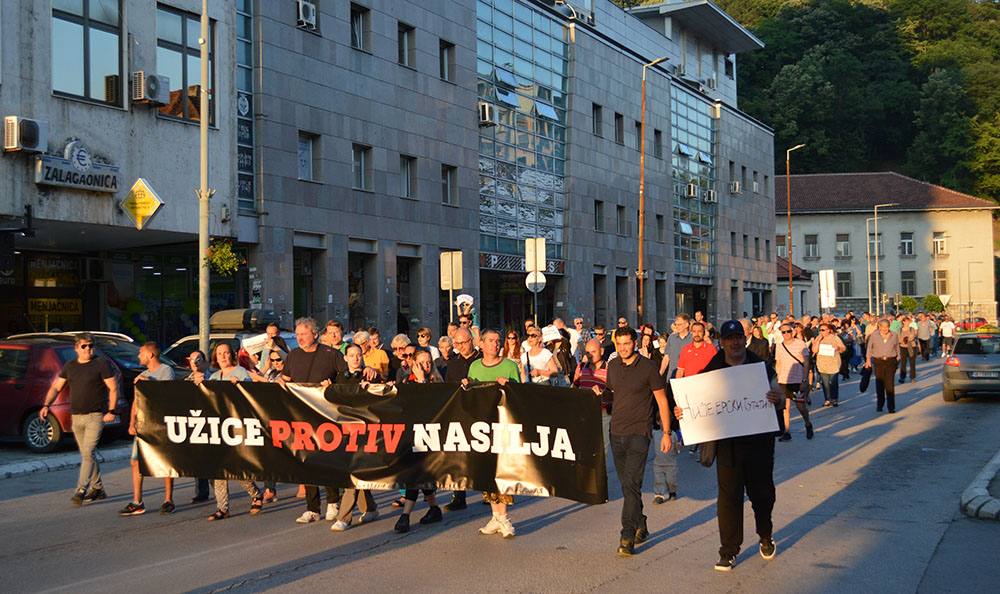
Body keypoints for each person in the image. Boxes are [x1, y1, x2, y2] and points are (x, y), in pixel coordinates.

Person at [675, 320, 783, 571]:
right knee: (728, 498)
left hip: (759, 444)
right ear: (721, 342)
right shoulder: (711, 370)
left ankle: (765, 534)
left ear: (743, 339)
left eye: (738, 337)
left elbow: (778, 396)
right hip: (727, 446)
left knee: (763, 495)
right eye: (729, 338)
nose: (735, 342)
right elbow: (695, 403)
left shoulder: (760, 366)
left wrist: (776, 398)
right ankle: (728, 550)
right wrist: (683, 412)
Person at [281, 318, 365, 525]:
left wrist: (333, 384)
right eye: (298, 334)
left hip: (325, 416)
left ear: (315, 334)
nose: (300, 337)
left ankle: (333, 501)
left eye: (304, 333)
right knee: (306, 461)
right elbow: (285, 379)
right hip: (301, 416)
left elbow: (345, 378)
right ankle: (312, 508)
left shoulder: (331, 354)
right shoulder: (293, 355)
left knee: (327, 459)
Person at [599, 327, 672, 557]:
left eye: (627, 343)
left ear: (635, 342)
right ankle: (641, 522)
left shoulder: (649, 368)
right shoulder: (612, 366)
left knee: (632, 483)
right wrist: (596, 394)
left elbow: (661, 400)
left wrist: (667, 432)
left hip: (640, 433)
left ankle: (627, 536)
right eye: (619, 344)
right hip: (617, 431)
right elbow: (613, 394)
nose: (622, 348)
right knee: (627, 485)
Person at [40, 332, 119, 506]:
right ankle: (98, 489)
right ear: (77, 349)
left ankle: (81, 490)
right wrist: (46, 405)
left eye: (91, 345)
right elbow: (56, 387)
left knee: (88, 453)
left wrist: (111, 410)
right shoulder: (70, 366)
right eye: (84, 346)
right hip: (76, 416)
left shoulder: (100, 364)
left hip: (95, 415)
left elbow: (113, 388)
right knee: (86, 454)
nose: (88, 349)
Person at [460, 329, 521, 537]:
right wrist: (467, 385)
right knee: (487, 471)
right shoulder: (475, 366)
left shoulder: (510, 366)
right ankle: (495, 516)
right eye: (491, 341)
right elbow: (471, 398)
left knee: (502, 471)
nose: (495, 344)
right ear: (482, 344)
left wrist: (509, 386)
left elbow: (522, 395)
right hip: (482, 428)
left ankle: (504, 519)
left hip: (504, 426)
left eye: (497, 341)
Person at [200, 342, 263, 520]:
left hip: (237, 427)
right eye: (220, 353)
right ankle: (223, 508)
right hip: (218, 427)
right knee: (219, 469)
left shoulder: (240, 373)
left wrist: (241, 386)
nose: (223, 356)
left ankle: (255, 494)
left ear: (231, 355)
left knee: (236, 467)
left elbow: (252, 396)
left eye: (226, 353)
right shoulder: (213, 377)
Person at [120, 342, 176, 516]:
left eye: (141, 353)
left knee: (165, 462)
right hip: (143, 425)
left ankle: (168, 500)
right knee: (135, 461)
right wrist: (131, 423)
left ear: (151, 355)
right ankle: (137, 501)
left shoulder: (166, 371)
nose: (138, 356)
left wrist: (148, 383)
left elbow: (166, 395)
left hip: (160, 424)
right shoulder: (142, 375)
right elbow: (136, 402)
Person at [329, 343, 381, 531]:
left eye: (358, 355)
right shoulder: (339, 378)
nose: (355, 358)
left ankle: (344, 517)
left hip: (365, 432)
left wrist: (371, 386)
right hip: (344, 431)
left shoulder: (370, 375)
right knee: (354, 473)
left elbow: (380, 397)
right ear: (345, 358)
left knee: (353, 473)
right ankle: (371, 508)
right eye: (351, 355)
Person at [393, 350, 444, 533]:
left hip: (430, 435)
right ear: (414, 363)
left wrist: (423, 380)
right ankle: (434, 508)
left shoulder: (436, 381)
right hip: (410, 434)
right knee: (420, 474)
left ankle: (405, 516)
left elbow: (431, 404)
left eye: (429, 362)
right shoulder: (406, 382)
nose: (426, 366)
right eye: (421, 363)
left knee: (416, 474)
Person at [442, 327, 482, 511]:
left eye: (463, 343)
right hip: (459, 413)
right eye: (456, 344)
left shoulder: (482, 359)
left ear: (472, 340)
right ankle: (459, 494)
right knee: (457, 455)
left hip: (480, 412)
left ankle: (488, 491)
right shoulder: (452, 363)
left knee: (482, 453)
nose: (460, 347)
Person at [573, 339, 610, 465]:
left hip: (603, 414)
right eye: (587, 352)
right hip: (585, 413)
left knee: (601, 450)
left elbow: (615, 393)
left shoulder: (610, 370)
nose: (590, 355)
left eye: (593, 352)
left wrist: (603, 393)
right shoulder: (581, 367)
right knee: (584, 447)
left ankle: (600, 480)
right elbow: (575, 387)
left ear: (602, 351)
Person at [774, 323, 813, 441]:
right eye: (783, 332)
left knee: (801, 407)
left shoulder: (800, 344)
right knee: (785, 407)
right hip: (784, 380)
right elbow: (778, 363)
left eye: (788, 331)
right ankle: (787, 432)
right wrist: (777, 379)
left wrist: (804, 380)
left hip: (798, 379)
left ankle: (807, 424)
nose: (786, 334)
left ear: (792, 332)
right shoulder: (779, 346)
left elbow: (806, 362)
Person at [866, 318, 900, 413]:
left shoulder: (894, 335)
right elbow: (869, 347)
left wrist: (898, 358)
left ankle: (891, 407)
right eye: (883, 327)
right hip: (878, 361)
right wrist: (868, 359)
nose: (885, 329)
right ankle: (880, 404)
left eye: (887, 326)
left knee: (890, 384)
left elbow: (897, 346)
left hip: (890, 361)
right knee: (879, 383)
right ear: (879, 327)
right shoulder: (874, 335)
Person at [812, 324, 845, 408]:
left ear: (829, 330)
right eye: (820, 330)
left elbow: (843, 348)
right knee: (825, 383)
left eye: (823, 330)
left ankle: (834, 398)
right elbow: (814, 350)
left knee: (833, 382)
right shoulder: (818, 338)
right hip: (822, 364)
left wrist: (837, 348)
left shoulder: (835, 338)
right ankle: (827, 399)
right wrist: (818, 341)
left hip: (833, 363)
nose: (821, 332)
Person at [898, 316, 918, 383]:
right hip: (903, 347)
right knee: (903, 363)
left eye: (908, 321)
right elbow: (899, 339)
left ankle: (912, 377)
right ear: (903, 322)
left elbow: (912, 337)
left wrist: (905, 339)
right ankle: (902, 377)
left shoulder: (911, 329)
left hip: (911, 347)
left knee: (912, 362)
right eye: (906, 321)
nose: (907, 323)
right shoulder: (900, 329)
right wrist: (904, 339)